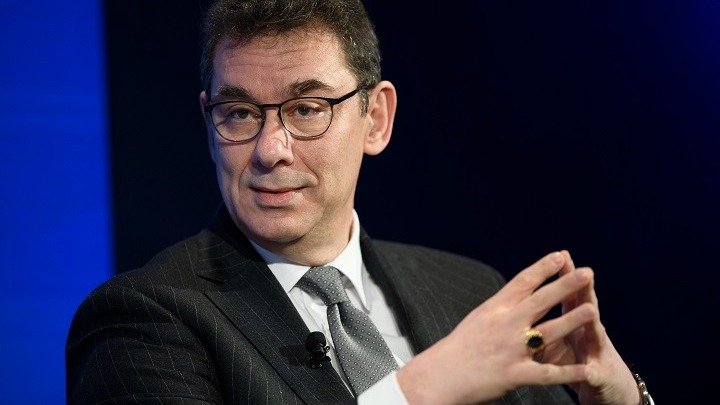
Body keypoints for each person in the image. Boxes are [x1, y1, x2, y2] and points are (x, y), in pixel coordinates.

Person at [66, 0, 654, 404]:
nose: (270, 150)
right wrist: (420, 389)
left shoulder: (470, 291)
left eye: (306, 109)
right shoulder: (139, 321)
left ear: (376, 119)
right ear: (208, 120)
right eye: (239, 113)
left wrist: (620, 398)